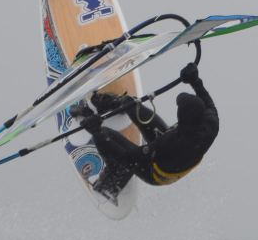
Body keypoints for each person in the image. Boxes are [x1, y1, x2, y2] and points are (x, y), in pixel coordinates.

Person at [72, 63, 219, 200]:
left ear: (183, 119)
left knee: (104, 134)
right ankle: (113, 105)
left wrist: (95, 130)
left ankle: (112, 179)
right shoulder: (210, 121)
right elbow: (208, 103)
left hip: (154, 171)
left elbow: (130, 159)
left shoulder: (171, 144)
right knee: (130, 103)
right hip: (173, 146)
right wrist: (195, 80)